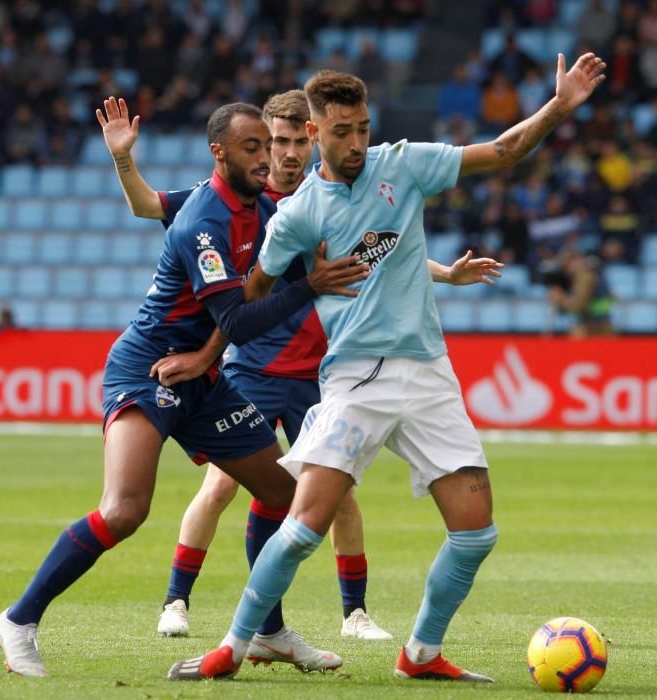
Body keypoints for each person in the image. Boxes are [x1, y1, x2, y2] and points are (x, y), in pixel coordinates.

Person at [170, 53, 605, 683]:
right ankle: (233, 647)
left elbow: (503, 151)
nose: (356, 143)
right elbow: (251, 295)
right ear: (315, 132)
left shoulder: (402, 165)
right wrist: (218, 347)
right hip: (355, 378)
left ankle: (420, 655)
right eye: (342, 131)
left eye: (363, 128)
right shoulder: (297, 215)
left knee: (476, 533)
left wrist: (560, 105)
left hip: (428, 372)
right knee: (303, 527)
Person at [0, 101, 369, 678]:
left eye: (268, 146)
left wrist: (328, 273)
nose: (267, 158)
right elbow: (240, 321)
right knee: (124, 510)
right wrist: (311, 285)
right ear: (219, 152)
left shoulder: (264, 207)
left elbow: (290, 278)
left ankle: (267, 632)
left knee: (281, 494)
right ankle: (18, 620)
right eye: (253, 148)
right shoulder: (203, 222)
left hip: (202, 378)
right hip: (148, 370)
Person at [102, 89, 393, 642]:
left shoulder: (316, 203)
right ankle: (177, 601)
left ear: (310, 142)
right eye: (271, 142)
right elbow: (145, 206)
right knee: (219, 488)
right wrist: (122, 158)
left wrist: (444, 274)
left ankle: (352, 614)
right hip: (252, 369)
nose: (281, 154)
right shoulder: (215, 201)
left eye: (289, 142)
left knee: (340, 496)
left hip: (313, 375)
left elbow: (371, 254)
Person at [547, 248, 615, 338]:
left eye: (566, 265)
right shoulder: (591, 272)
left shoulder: (584, 277)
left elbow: (578, 305)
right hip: (599, 324)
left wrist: (560, 298)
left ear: (575, 261)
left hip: (595, 328)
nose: (565, 270)